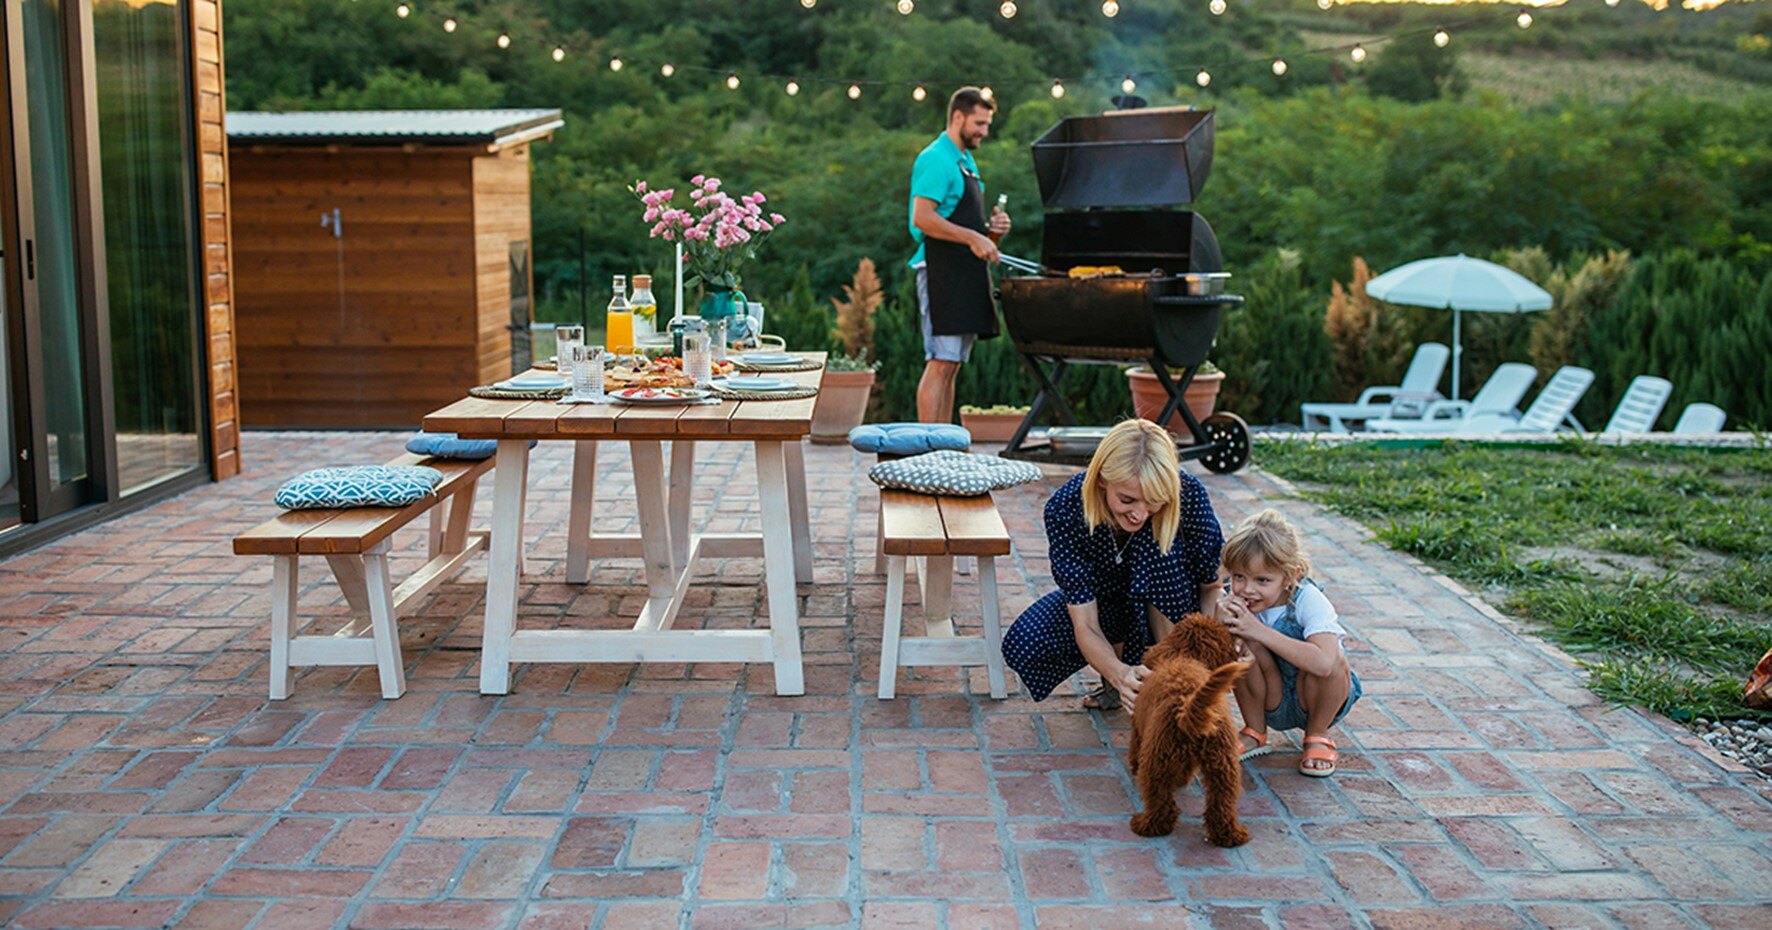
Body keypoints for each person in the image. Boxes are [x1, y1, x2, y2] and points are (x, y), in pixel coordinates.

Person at [1001, 419, 1225, 713]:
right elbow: (1085, 622)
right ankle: (1121, 679)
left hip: (1176, 602)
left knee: (1160, 553)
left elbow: (1212, 585)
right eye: (1127, 499)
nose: (1139, 514)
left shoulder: (1188, 494)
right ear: (1102, 480)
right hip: (1111, 601)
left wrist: (1201, 657)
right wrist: (1119, 674)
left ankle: (1175, 681)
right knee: (1026, 642)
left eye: (1154, 501)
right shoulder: (1065, 509)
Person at [1216, 509, 1363, 778]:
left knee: (1333, 659)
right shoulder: (1236, 602)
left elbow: (1323, 663)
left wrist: (1258, 630)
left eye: (1262, 580)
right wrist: (1225, 625)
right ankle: (1255, 731)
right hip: (1271, 698)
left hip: (1318, 699)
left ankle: (1317, 736)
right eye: (1238, 577)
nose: (1248, 589)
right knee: (1239, 649)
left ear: (1289, 575)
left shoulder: (1308, 599)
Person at [908, 86, 1012, 424]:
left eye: (987, 125)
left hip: (964, 272)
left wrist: (992, 232)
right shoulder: (935, 158)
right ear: (958, 117)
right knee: (939, 361)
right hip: (940, 272)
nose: (984, 131)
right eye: (979, 124)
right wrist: (971, 236)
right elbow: (922, 218)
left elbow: (962, 222)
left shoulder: (965, 160)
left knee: (951, 365)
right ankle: (927, 452)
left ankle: (944, 444)